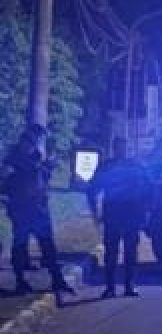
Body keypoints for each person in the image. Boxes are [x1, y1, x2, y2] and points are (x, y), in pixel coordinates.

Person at [5, 124, 73, 296]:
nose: (35, 144)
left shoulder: (36, 157)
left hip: (39, 209)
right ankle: (20, 281)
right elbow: (9, 183)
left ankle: (57, 279)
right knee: (19, 246)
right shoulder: (13, 160)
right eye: (34, 140)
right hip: (21, 209)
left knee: (48, 245)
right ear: (25, 141)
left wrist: (47, 168)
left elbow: (41, 179)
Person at [85, 137, 153, 298]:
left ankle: (128, 285)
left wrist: (147, 211)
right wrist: (95, 212)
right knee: (111, 252)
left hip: (130, 213)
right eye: (119, 147)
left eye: (123, 147)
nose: (121, 150)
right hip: (114, 212)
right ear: (115, 149)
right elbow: (93, 190)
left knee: (129, 252)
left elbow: (149, 189)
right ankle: (111, 287)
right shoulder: (109, 167)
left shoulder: (135, 167)